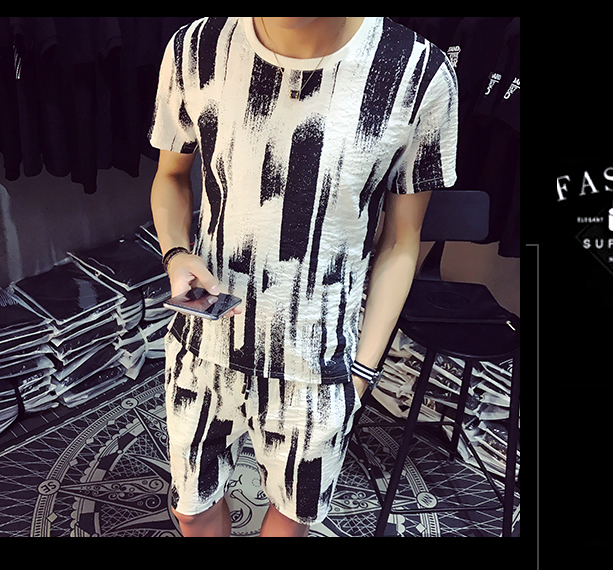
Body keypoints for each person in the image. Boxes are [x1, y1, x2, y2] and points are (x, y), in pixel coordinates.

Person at [149, 16, 457, 537]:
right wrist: (176, 252)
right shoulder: (195, 49)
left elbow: (402, 239)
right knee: (192, 508)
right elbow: (171, 175)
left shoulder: (419, 73)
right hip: (204, 342)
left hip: (320, 358)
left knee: (293, 516)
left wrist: (362, 371)